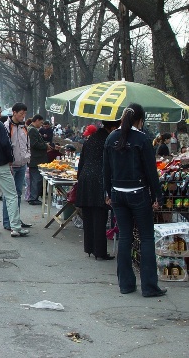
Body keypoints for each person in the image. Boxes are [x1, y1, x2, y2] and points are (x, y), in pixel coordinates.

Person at [103, 103, 166, 297]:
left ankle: (126, 284)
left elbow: (106, 169)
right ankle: (149, 287)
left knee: (124, 236)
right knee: (146, 238)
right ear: (140, 120)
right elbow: (150, 171)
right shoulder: (142, 139)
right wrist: (157, 195)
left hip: (117, 194)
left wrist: (107, 193)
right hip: (138, 193)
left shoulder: (111, 138)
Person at [0, 103, 29, 237]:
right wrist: (10, 159)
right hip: (1, 165)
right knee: (11, 195)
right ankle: (15, 226)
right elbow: (6, 144)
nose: (1, 114)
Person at [76, 120, 120, 260]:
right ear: (112, 127)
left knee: (88, 215)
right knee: (100, 217)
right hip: (100, 180)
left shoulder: (91, 139)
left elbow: (82, 161)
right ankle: (100, 251)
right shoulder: (109, 140)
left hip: (85, 178)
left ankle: (89, 247)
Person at [2, 102, 33, 231]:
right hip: (11, 165)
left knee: (18, 193)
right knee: (9, 195)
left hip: (22, 164)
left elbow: (27, 143)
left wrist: (28, 155)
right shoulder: (6, 126)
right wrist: (8, 161)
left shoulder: (23, 127)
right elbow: (5, 145)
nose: (23, 116)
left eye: (25, 114)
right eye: (21, 114)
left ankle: (16, 219)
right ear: (14, 113)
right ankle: (7, 221)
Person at [27, 114, 53, 205]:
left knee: (36, 179)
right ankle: (33, 198)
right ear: (37, 120)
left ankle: (34, 197)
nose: (41, 125)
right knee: (36, 179)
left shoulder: (33, 129)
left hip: (36, 158)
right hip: (36, 159)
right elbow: (34, 144)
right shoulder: (32, 130)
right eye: (41, 122)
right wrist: (45, 146)